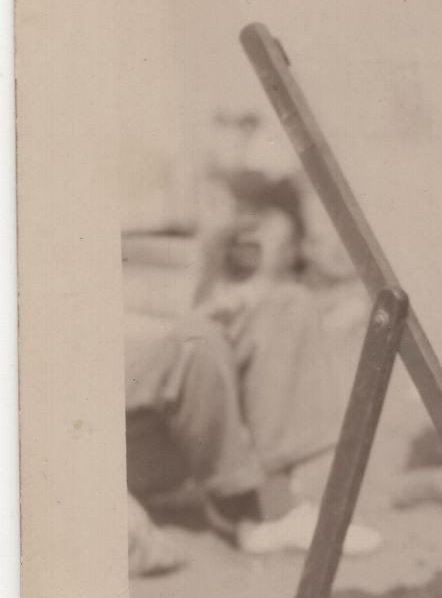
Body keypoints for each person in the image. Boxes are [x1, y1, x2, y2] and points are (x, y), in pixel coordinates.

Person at [124, 173, 381, 575]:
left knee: (287, 305)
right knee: (198, 339)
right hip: (117, 439)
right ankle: (240, 501)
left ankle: (274, 504)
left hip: (178, 419)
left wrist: (230, 301)